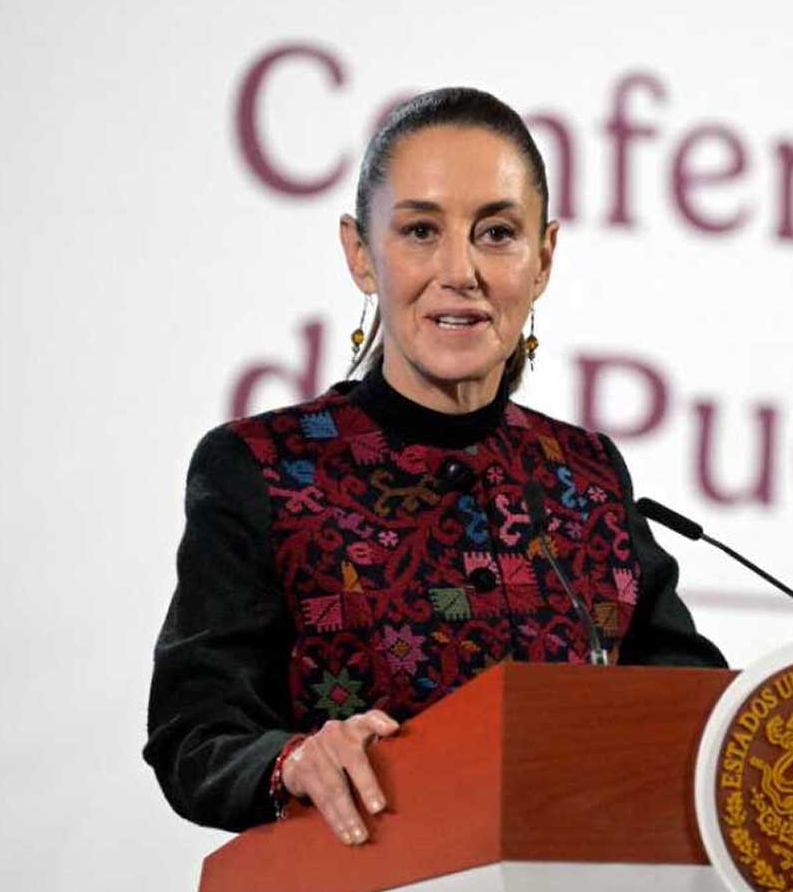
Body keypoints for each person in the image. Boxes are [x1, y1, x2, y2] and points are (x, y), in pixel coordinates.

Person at [143, 87, 726, 846]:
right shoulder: (262, 468)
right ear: (360, 253)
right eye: (420, 231)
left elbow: (698, 715)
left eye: (497, 233)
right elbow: (195, 735)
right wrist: (292, 761)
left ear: (544, 258)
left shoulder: (586, 476)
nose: (460, 271)